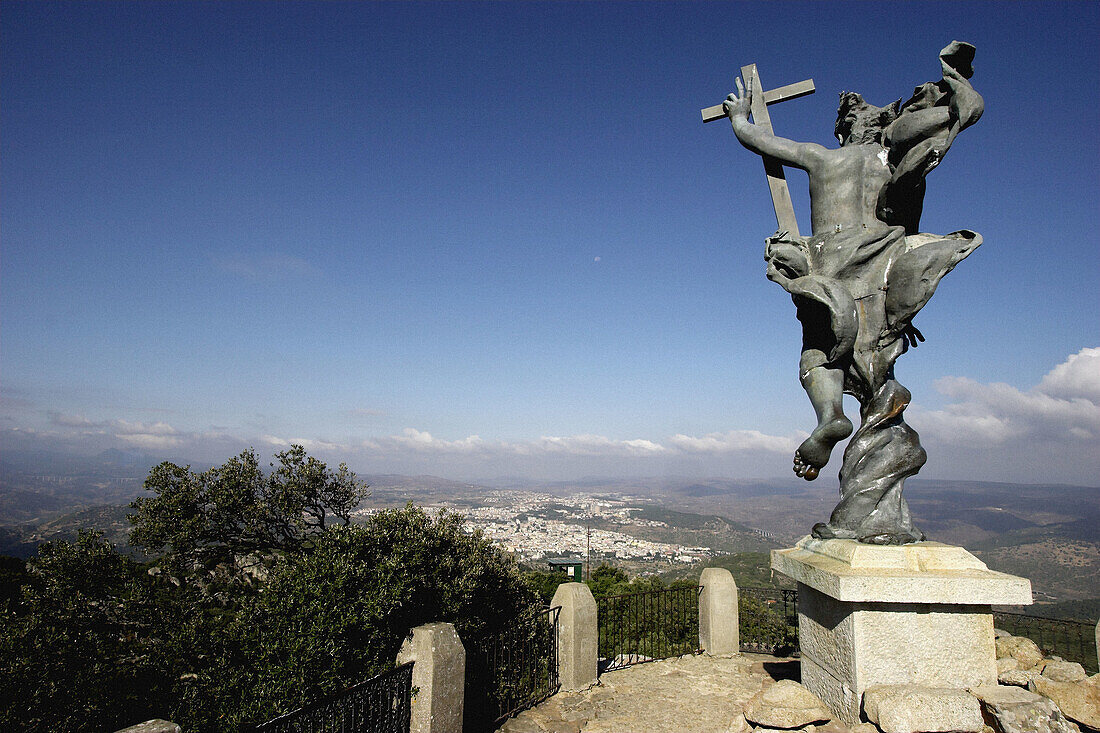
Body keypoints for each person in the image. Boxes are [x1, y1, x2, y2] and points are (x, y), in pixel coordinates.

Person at [723, 42, 983, 501]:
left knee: (820, 349)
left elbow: (762, 142)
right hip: (882, 255)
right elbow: (954, 117)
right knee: (876, 353)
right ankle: (872, 438)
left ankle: (828, 416)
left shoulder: (822, 157)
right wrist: (955, 93)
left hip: (829, 259)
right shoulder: (888, 158)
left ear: (844, 131)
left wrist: (740, 117)